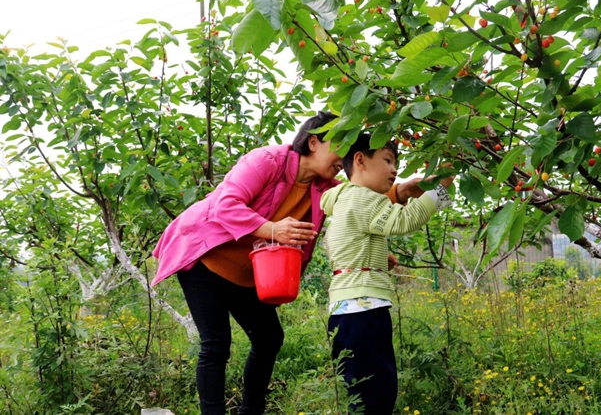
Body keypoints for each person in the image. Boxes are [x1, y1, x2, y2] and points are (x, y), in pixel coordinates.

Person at [150, 112, 429, 415]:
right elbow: (225, 205)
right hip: (206, 259)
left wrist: (401, 191)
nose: (346, 155)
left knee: (269, 337)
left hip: (248, 273)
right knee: (216, 343)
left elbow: (356, 196)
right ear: (313, 142)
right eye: (341, 144)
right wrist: (272, 229)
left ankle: (250, 412)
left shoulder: (324, 187)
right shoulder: (266, 160)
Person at [320, 133, 455, 414]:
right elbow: (404, 220)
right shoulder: (363, 198)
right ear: (360, 160)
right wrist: (438, 190)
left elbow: (347, 244)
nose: (395, 170)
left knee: (363, 390)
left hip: (348, 311)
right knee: (377, 393)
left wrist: (377, 258)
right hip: (363, 311)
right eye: (387, 160)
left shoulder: (344, 199)